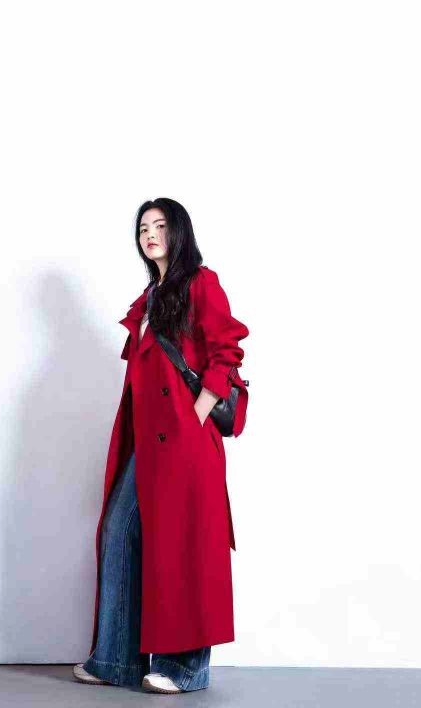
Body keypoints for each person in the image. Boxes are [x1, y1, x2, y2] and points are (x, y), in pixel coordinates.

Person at [73, 197, 250, 693]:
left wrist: (196, 417)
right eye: (142, 228)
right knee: (120, 531)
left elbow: (226, 350)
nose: (149, 234)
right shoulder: (150, 297)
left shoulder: (202, 283)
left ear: (179, 232)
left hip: (185, 442)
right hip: (148, 444)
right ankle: (116, 660)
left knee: (184, 547)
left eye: (160, 225)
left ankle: (185, 668)